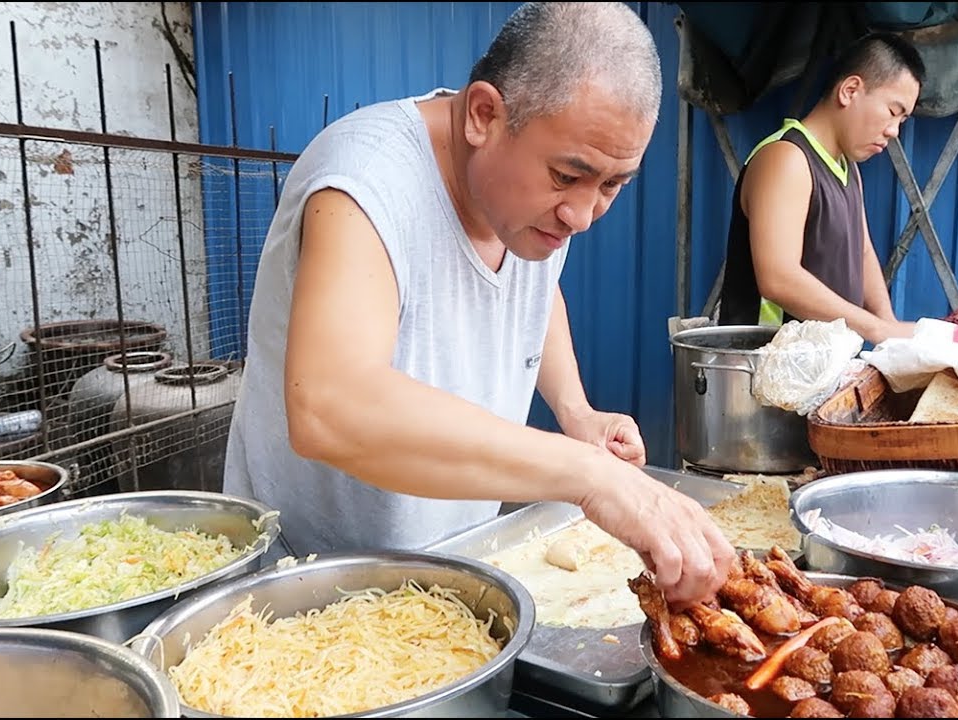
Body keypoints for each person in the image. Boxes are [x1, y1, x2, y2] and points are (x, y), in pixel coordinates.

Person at [222, 2, 734, 604]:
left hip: (448, 572)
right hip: (309, 590)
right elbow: (331, 407)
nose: (583, 215)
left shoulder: (529, 203)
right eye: (568, 176)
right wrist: (590, 478)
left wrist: (575, 410)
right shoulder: (366, 182)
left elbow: (534, 291)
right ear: (484, 115)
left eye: (613, 185)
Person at [715, 32, 927, 345]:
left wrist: (888, 324)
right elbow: (778, 278)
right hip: (765, 368)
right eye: (893, 112)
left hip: (818, 369)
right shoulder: (786, 158)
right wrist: (875, 329)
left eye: (903, 120)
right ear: (850, 90)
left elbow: (863, 249)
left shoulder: (848, 167)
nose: (893, 131)